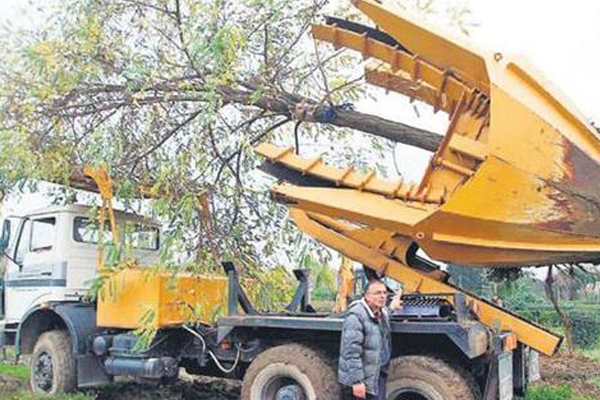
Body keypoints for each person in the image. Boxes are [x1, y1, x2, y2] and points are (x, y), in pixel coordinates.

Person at [338, 278, 403, 399]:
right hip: (362, 378)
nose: (382, 296)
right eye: (377, 293)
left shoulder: (381, 312)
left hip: (376, 374)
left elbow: (384, 314)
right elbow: (351, 352)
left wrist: (392, 307)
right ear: (367, 296)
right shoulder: (356, 316)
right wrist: (357, 382)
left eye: (384, 293)